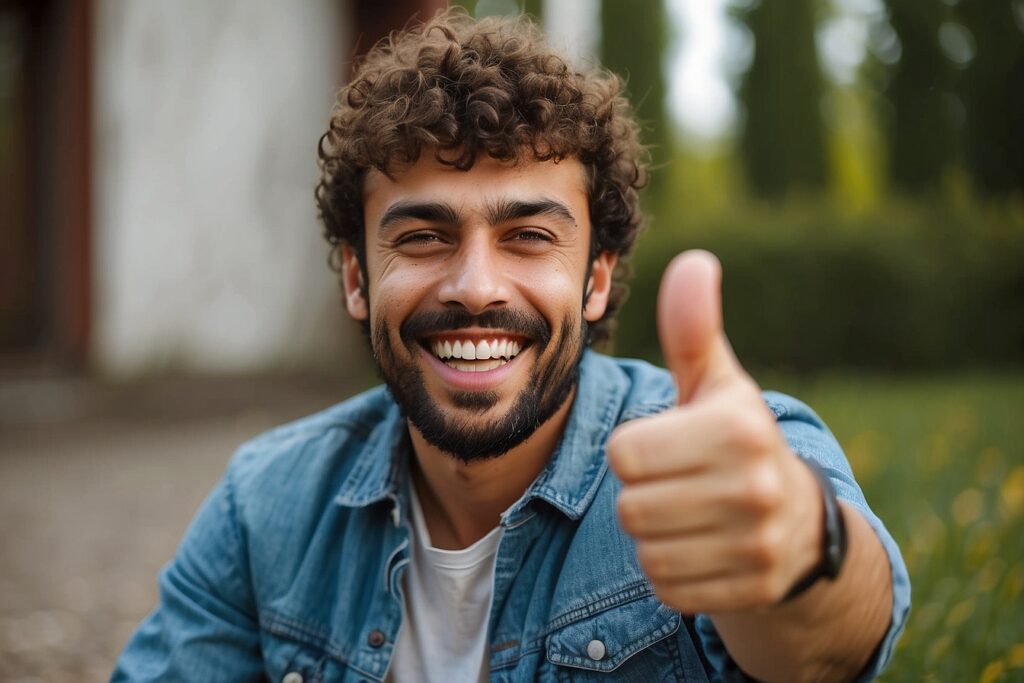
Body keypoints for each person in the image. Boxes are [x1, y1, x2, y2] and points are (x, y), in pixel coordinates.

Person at [112, 9, 909, 682]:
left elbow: (836, 638)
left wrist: (804, 549)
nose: (475, 285)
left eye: (528, 235)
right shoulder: (266, 507)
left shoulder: (730, 451)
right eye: (423, 235)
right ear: (356, 276)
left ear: (597, 278)